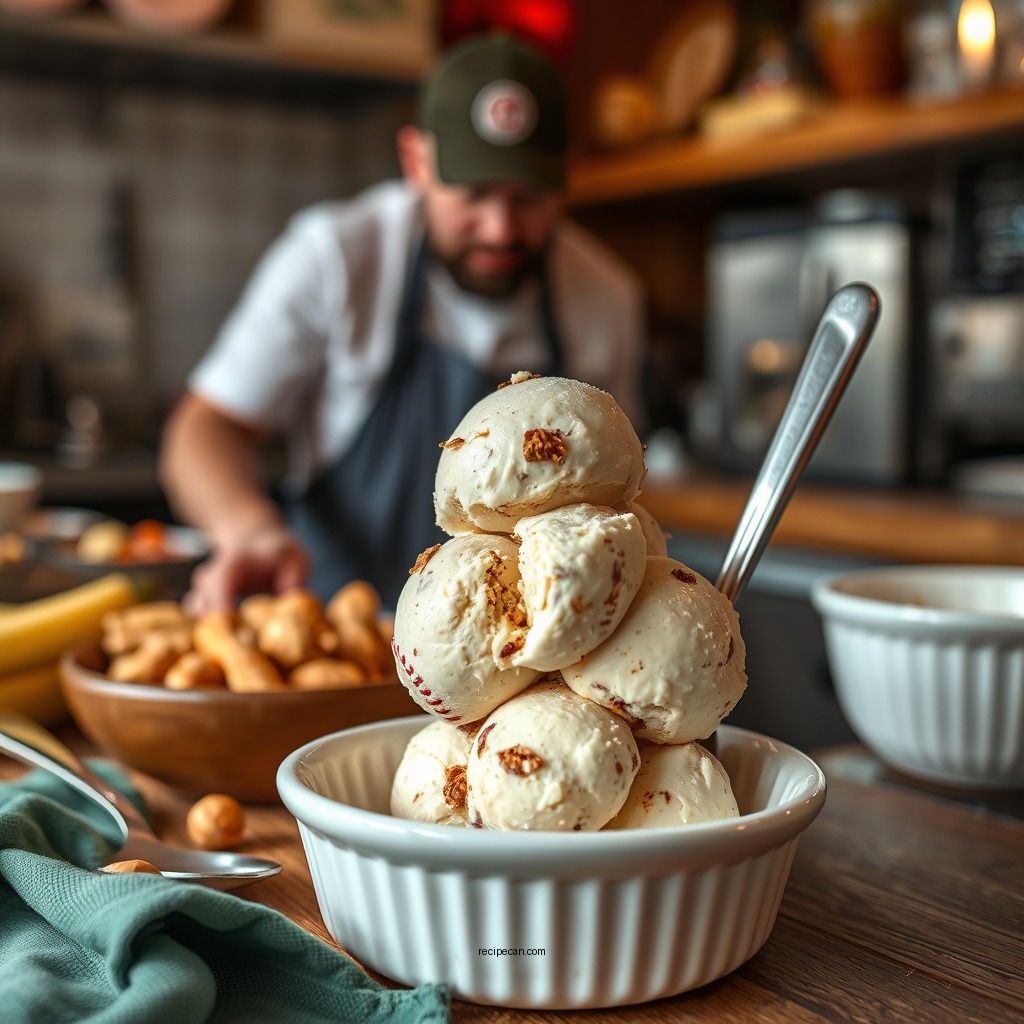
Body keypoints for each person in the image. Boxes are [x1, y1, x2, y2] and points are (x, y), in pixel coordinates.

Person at [159, 31, 647, 614]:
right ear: (417, 161)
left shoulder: (607, 298)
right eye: (473, 193)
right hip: (337, 629)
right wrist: (250, 531)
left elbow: (616, 496)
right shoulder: (336, 257)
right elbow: (203, 430)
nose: (500, 229)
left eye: (531, 197)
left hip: (516, 659)